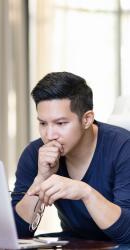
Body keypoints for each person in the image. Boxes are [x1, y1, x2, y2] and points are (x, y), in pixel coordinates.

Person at [11, 72, 130, 244]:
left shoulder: (123, 147)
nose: (50, 135)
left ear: (87, 119)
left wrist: (86, 193)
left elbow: (127, 233)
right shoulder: (35, 153)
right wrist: (41, 178)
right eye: (43, 123)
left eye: (60, 123)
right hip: (76, 244)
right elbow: (15, 233)